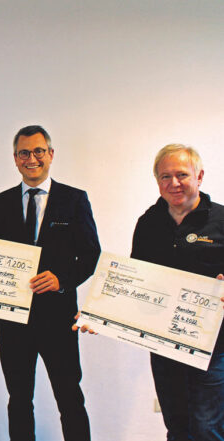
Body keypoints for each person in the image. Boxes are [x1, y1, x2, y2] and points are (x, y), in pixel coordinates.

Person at [0, 125, 100, 441]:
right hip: (13, 321)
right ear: (15, 158)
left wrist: (62, 280)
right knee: (19, 400)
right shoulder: (0, 202)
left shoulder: (74, 199)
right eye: (24, 153)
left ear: (50, 154)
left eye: (38, 151)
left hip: (58, 319)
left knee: (70, 398)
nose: (31, 159)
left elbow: (91, 255)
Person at [130, 144, 224, 441]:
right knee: (176, 426)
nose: (174, 183)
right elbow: (135, 280)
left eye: (182, 174)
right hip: (164, 346)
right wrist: (101, 315)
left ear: (200, 176)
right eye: (165, 176)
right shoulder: (148, 223)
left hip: (214, 348)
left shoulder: (222, 220)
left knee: (207, 428)